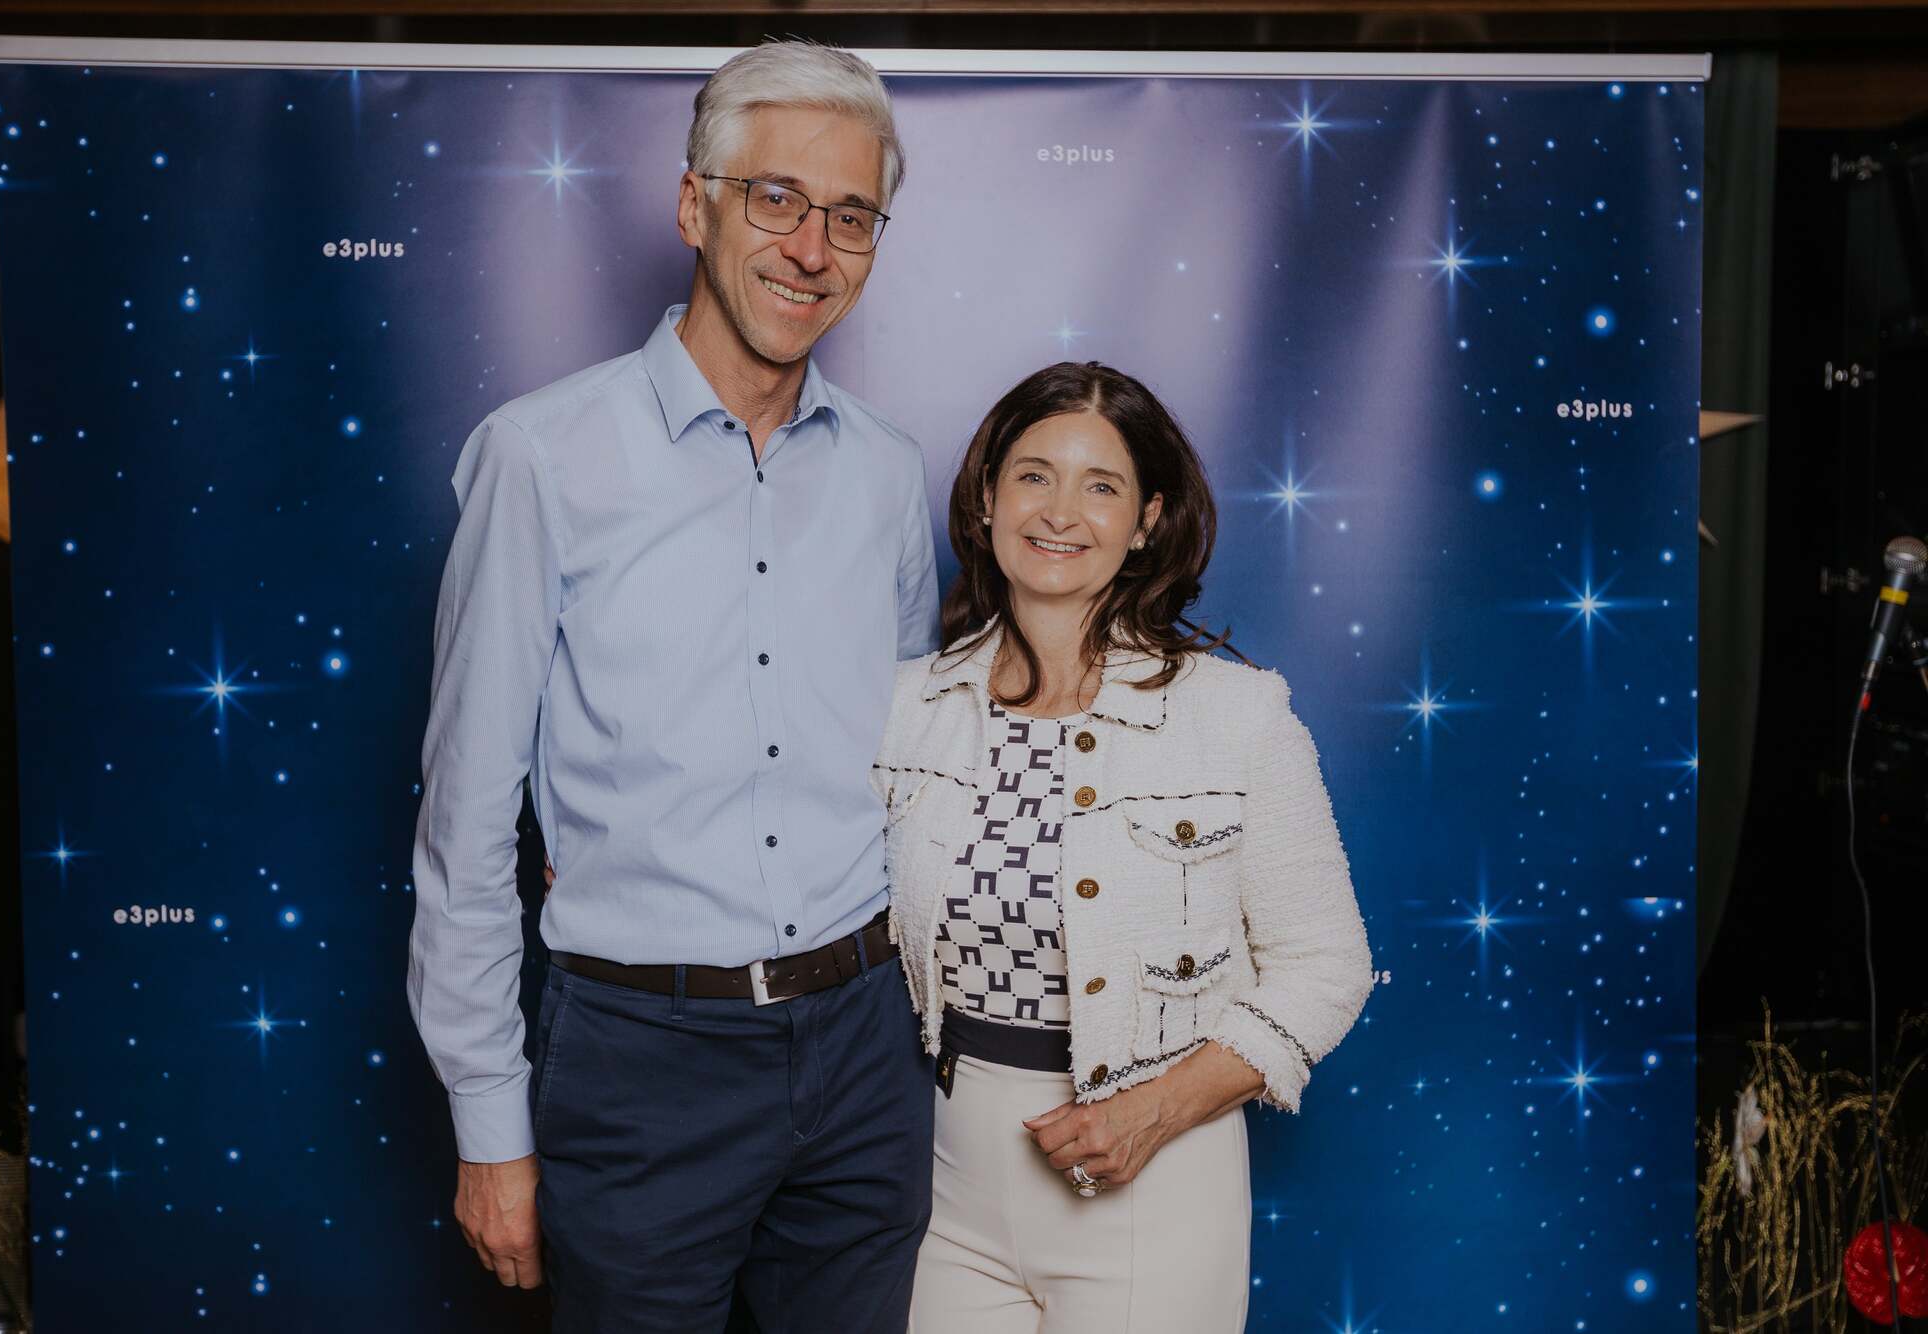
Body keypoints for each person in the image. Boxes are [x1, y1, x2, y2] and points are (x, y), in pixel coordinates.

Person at [407, 41, 941, 1333]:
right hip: (641, 1059)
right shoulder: (540, 456)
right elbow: (465, 820)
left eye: (851, 216)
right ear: (695, 204)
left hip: (866, 1047)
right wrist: (490, 1124)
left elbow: (914, 770)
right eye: (776, 198)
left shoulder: (888, 472)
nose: (810, 248)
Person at [873, 362, 1375, 1331]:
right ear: (985, 497)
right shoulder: (904, 710)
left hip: (1154, 1183)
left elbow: (1327, 964)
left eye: (1099, 485)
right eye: (1033, 475)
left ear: (1145, 520)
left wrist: (1155, 1109)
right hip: (942, 1180)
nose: (1060, 511)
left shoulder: (1234, 714)